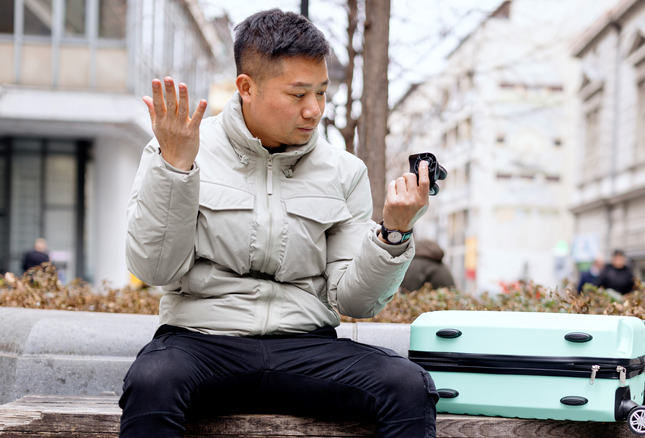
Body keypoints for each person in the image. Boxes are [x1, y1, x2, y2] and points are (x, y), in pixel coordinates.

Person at [119, 9, 437, 438]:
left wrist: (393, 232)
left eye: (322, 93)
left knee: (407, 383)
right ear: (246, 88)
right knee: (152, 380)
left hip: (306, 346)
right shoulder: (182, 148)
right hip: (201, 340)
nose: (314, 110)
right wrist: (176, 169)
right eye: (298, 94)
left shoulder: (344, 171)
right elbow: (154, 269)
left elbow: (356, 302)